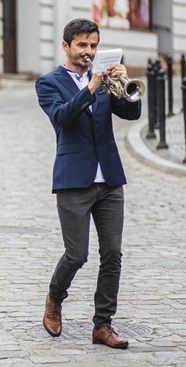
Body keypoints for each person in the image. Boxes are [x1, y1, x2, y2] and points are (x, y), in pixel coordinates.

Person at [35, 18, 141, 349]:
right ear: (66, 46)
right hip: (74, 179)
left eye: (94, 45)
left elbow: (130, 115)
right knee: (76, 254)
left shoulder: (104, 78)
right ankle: (54, 298)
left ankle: (103, 325)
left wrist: (124, 87)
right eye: (82, 45)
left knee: (112, 253)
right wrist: (91, 86)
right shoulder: (48, 82)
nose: (89, 52)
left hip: (109, 178)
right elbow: (63, 117)